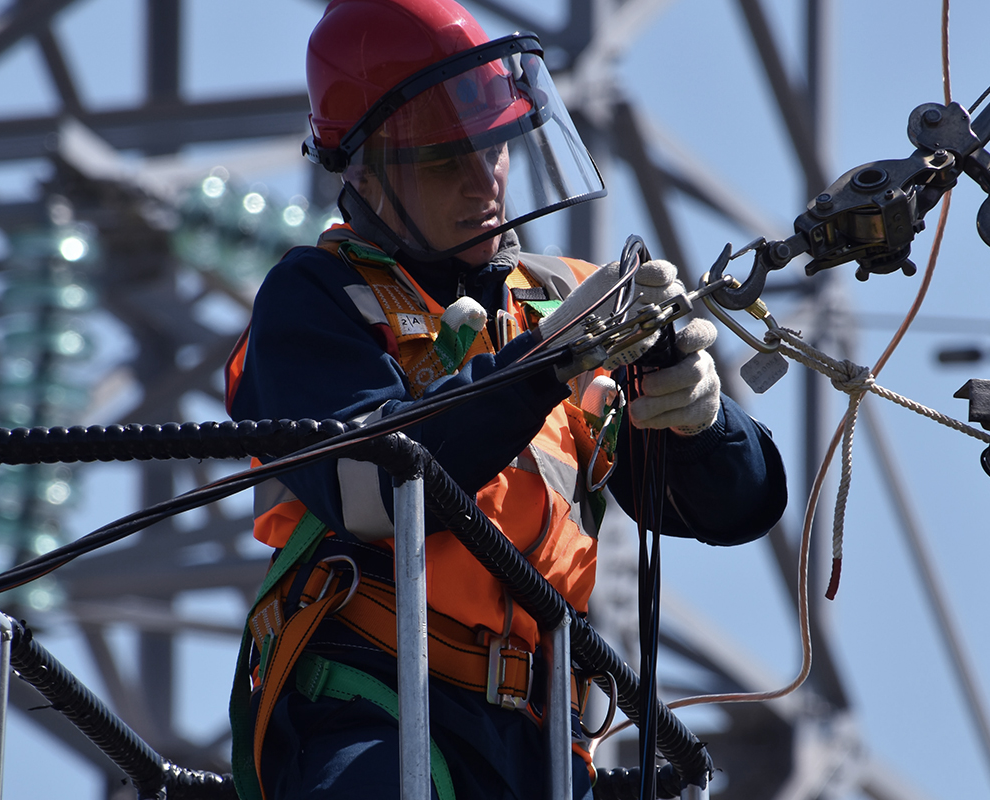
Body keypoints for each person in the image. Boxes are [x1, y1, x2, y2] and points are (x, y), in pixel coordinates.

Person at [223, 1, 787, 798]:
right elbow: (373, 486)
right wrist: (542, 367)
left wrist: (700, 418)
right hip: (376, 705)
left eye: (494, 150)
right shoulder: (317, 299)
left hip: (544, 741)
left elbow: (730, 509)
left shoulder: (562, 299)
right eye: (444, 160)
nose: (482, 181)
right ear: (368, 171)